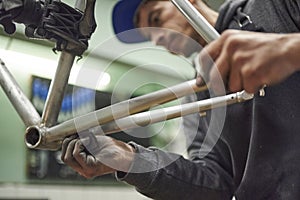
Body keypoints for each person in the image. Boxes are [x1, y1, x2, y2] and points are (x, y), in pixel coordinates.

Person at [61, 0, 300, 199]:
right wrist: (129, 160)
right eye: (149, 36)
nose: (157, 40)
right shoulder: (198, 100)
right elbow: (216, 183)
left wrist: (289, 51)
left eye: (156, 20)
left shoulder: (273, 7)